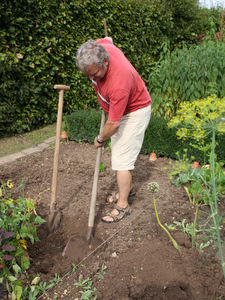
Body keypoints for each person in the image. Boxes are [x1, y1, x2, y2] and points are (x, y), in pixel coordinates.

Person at [76, 37, 152, 223]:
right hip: (121, 109)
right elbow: (106, 39)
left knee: (121, 160)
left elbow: (113, 124)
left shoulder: (119, 81)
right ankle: (125, 190)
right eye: (88, 76)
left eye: (95, 74)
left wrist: (100, 138)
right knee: (119, 154)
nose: (92, 79)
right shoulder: (104, 48)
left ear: (105, 61)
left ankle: (123, 206)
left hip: (134, 112)